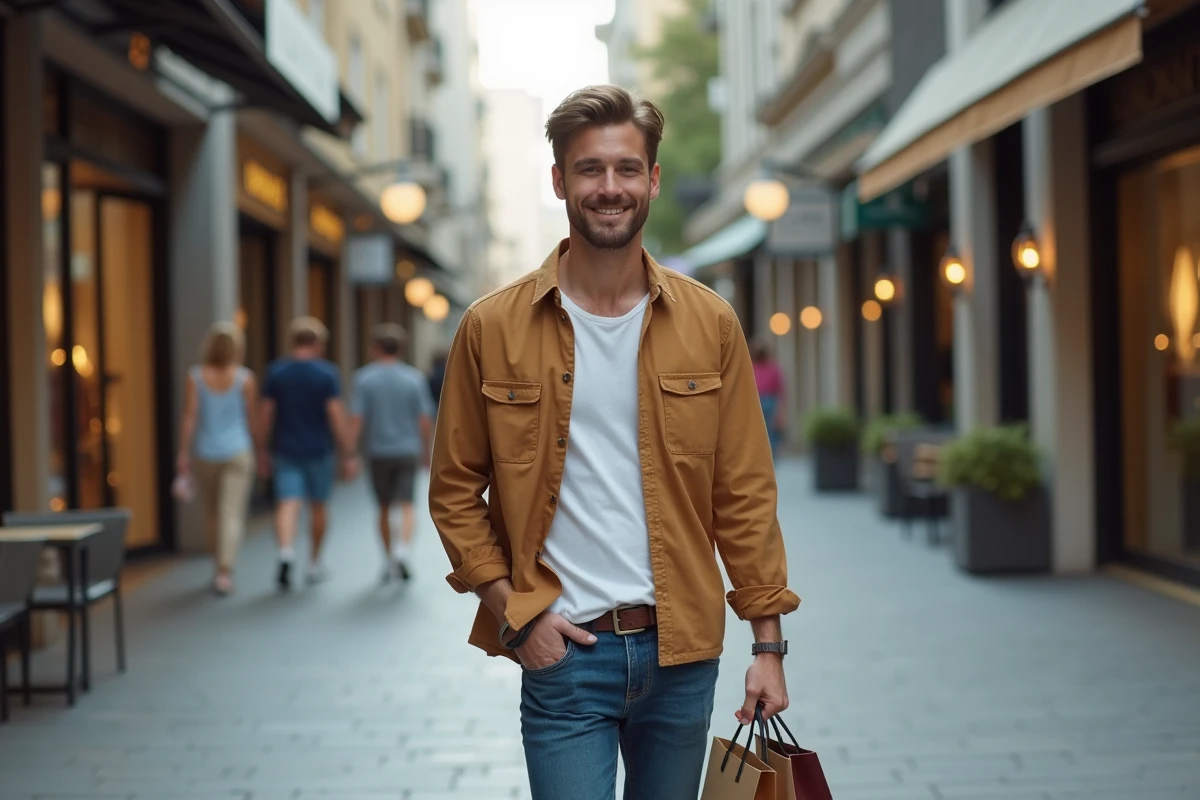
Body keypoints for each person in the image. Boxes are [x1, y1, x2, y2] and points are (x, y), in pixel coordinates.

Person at [428, 85, 800, 800]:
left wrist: (768, 646)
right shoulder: (491, 327)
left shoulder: (709, 323)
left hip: (682, 653)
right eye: (590, 169)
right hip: (564, 654)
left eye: (627, 169)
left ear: (653, 179)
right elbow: (453, 491)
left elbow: (745, 493)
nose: (610, 188)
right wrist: (517, 613)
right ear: (560, 180)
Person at [258, 316, 356, 590]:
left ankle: (285, 553)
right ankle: (314, 563)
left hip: (285, 448)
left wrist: (261, 450)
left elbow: (265, 415)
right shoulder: (326, 374)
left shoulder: (276, 372)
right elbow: (336, 415)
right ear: (317, 343)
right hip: (319, 450)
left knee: (288, 503)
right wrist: (348, 452)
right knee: (318, 506)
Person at [176, 322, 260, 595]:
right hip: (238, 450)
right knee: (230, 513)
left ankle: (219, 566)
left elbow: (190, 417)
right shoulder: (245, 378)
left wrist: (183, 452)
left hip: (206, 451)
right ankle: (225, 570)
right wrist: (261, 450)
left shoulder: (196, 376)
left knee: (212, 513)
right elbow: (251, 418)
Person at [348, 324, 435, 582]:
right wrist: (426, 451)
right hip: (407, 449)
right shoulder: (414, 378)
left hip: (378, 452)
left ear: (375, 348)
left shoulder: (363, 378)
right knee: (407, 504)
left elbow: (356, 418)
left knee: (384, 506)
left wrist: (349, 452)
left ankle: (388, 559)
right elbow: (424, 419)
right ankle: (402, 551)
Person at [751, 338, 787, 457]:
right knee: (758, 431)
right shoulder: (751, 367)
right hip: (756, 400)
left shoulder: (773, 368)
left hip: (770, 401)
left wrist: (780, 410)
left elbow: (780, 390)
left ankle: (771, 457)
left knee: (771, 432)